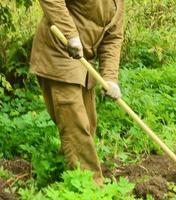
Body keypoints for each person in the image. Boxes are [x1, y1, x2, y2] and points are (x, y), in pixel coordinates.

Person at [29, 0, 124, 186]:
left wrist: (110, 77)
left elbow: (113, 37)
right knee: (76, 125)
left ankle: (64, 172)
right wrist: (70, 34)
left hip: (83, 62)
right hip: (58, 53)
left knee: (88, 123)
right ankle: (91, 187)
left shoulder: (118, 3)